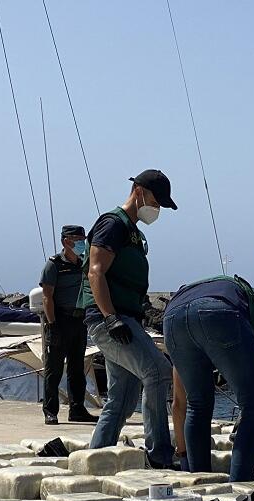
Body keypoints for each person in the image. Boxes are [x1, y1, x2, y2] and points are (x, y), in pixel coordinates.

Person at [77, 169, 176, 466]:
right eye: (157, 201)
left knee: (122, 396)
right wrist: (110, 318)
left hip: (125, 317)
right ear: (139, 191)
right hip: (111, 319)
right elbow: (96, 272)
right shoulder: (112, 225)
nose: (157, 209)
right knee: (158, 371)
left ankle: (95, 460)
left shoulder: (133, 232)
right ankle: (159, 456)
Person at [164, 275, 254, 481]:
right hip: (220, 312)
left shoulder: (196, 296)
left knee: (197, 405)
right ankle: (240, 486)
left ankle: (198, 482)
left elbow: (179, 404)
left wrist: (183, 458)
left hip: (173, 318)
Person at [39, 225, 97, 425]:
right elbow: (47, 297)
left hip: (79, 320)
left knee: (77, 369)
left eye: (83, 238)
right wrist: (52, 324)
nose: (82, 243)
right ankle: (50, 411)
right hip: (59, 320)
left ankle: (77, 409)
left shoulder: (83, 263)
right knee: (53, 369)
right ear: (66, 241)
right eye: (77, 239)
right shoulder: (53, 265)